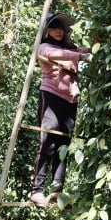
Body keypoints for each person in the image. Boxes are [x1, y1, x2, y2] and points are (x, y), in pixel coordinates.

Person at [30, 13, 92, 207]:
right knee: (48, 143)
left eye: (61, 28)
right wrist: (79, 56)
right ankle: (37, 190)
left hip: (70, 100)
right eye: (54, 27)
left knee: (63, 147)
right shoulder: (45, 47)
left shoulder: (70, 49)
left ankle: (57, 192)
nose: (58, 30)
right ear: (47, 30)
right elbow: (55, 54)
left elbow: (85, 50)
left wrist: (97, 42)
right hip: (51, 96)